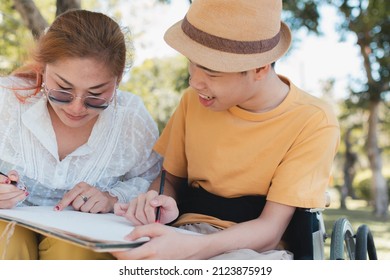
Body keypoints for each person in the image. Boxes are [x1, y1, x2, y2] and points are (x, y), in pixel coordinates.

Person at [111, 0, 340, 260]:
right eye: (192, 62)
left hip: (253, 250)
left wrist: (188, 249)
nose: (194, 81)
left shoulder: (313, 121)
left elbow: (270, 230)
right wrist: (156, 200)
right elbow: (170, 179)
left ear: (260, 68)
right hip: (181, 231)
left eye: (212, 72)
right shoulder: (193, 100)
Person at [0, 9, 161, 260]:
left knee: (75, 252)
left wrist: (112, 198)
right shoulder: (6, 100)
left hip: (82, 243)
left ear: (118, 80)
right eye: (63, 90)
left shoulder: (131, 119)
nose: (76, 108)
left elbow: (156, 181)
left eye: (95, 95)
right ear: (43, 69)